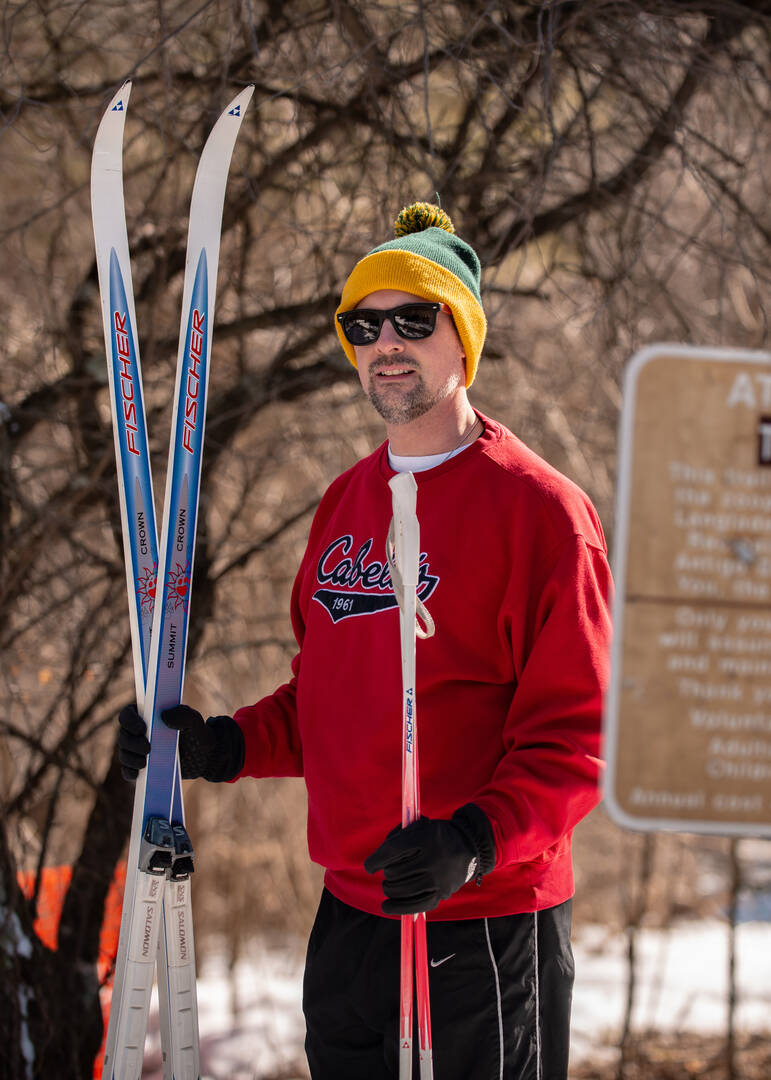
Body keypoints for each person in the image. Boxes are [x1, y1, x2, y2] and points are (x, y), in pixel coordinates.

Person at [119, 202, 612, 1079]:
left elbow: (577, 741)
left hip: (482, 923)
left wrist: (473, 839)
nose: (386, 342)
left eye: (413, 321)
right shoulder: (346, 503)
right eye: (363, 325)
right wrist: (222, 744)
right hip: (351, 918)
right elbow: (327, 705)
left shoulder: (541, 515)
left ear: (461, 340)